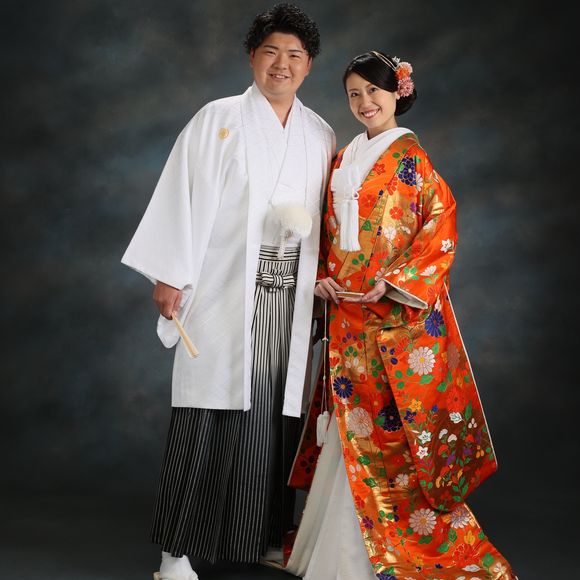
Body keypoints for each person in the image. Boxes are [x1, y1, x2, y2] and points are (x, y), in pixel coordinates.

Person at [121, 4, 335, 579]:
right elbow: (180, 194)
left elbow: (329, 219)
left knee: (272, 420)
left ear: (309, 65)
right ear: (252, 56)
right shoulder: (217, 119)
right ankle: (175, 555)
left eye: (294, 56)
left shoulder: (319, 133)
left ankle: (258, 538)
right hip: (223, 289)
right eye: (271, 52)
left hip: (289, 299)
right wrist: (170, 272)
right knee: (207, 417)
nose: (281, 65)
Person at [285, 51, 516, 579]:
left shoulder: (412, 160)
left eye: (374, 91)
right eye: (354, 94)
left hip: (389, 317)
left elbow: (440, 226)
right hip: (345, 313)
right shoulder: (343, 158)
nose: (365, 102)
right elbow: (324, 229)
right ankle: (335, 550)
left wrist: (392, 284)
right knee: (349, 424)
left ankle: (382, 552)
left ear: (397, 93)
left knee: (390, 434)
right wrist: (319, 275)